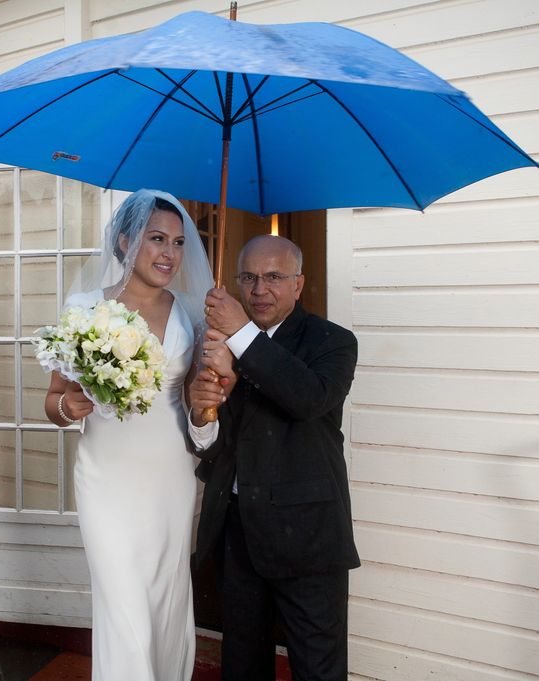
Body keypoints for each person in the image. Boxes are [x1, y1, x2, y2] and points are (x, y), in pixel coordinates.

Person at [43, 189, 213, 681]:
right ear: (124, 241)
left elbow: (203, 403)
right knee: (123, 605)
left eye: (179, 243)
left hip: (171, 477)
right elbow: (53, 401)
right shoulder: (83, 307)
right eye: (157, 239)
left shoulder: (194, 313)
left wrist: (214, 382)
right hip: (107, 479)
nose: (170, 254)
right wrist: (68, 405)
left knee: (164, 597)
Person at [188, 235, 359, 681]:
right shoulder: (216, 346)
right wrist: (202, 412)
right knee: (242, 665)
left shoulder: (333, 342)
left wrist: (241, 335)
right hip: (238, 531)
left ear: (299, 285)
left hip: (308, 536)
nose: (259, 289)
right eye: (249, 277)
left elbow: (307, 398)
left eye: (274, 277)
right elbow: (213, 446)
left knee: (317, 667)